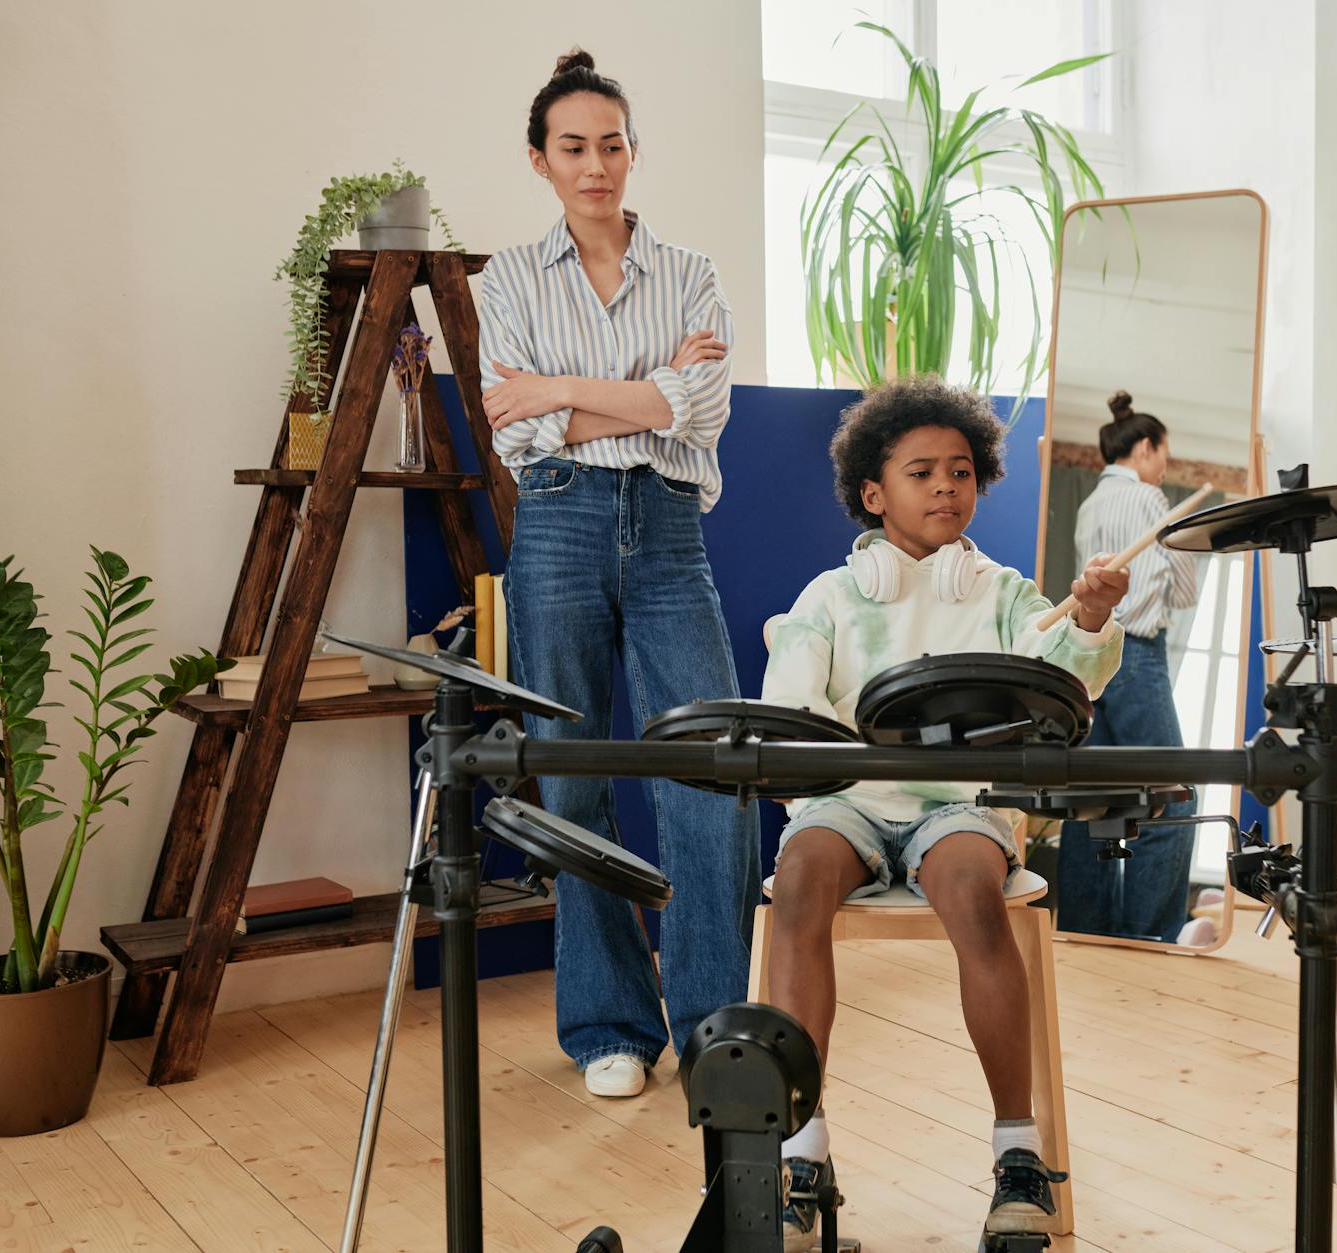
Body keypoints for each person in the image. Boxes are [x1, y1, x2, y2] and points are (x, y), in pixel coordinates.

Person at [760, 376, 1127, 1248]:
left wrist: (1094, 615)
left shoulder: (1001, 593)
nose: (944, 487)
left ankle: (1017, 1156)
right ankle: (802, 1159)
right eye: (921, 471)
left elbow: (1067, 680)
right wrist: (814, 761)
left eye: (960, 470)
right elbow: (791, 707)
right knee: (800, 877)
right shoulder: (829, 598)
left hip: (960, 806)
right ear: (873, 493)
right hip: (848, 801)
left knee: (969, 886)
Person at [478, 49, 757, 1099]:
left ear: (632, 151)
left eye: (611, 144)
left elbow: (703, 406)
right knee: (571, 771)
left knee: (711, 773)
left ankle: (714, 1021)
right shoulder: (501, 278)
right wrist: (643, 392)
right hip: (555, 526)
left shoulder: (691, 272)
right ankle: (608, 1024)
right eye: (572, 148)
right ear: (541, 161)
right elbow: (521, 428)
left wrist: (563, 389)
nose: (595, 165)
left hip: (669, 527)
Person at [1058, 390, 1204, 943]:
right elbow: (1184, 591)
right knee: (1175, 798)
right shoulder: (1148, 499)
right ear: (1144, 448)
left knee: (1092, 802)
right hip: (1137, 655)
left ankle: (1085, 932)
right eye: (1163, 454)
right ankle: (1147, 938)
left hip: (1092, 659)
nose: (1164, 467)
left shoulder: (1089, 504)